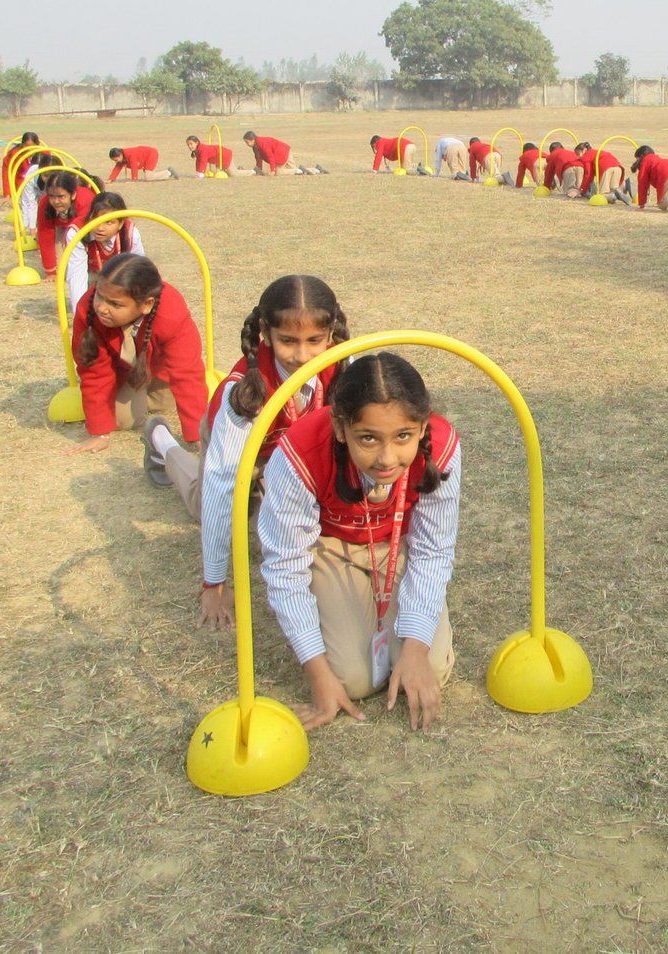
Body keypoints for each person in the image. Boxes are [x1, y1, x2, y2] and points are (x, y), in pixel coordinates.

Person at [257, 351, 462, 732]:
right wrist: (318, 675)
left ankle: (407, 638)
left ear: (422, 427)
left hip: (400, 544)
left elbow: (433, 550)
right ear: (340, 428)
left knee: (430, 668)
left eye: (403, 436)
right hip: (331, 546)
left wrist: (416, 647)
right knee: (353, 681)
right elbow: (285, 567)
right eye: (368, 438)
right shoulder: (299, 452)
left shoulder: (444, 446)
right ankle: (171, 454)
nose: (386, 457)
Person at [144, 275, 349, 628]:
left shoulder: (343, 363)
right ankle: (163, 443)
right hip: (240, 448)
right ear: (265, 333)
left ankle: (263, 489)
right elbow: (221, 485)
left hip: (291, 448)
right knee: (206, 504)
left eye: (315, 341)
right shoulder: (241, 393)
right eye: (288, 341)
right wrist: (214, 582)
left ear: (331, 334)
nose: (303, 355)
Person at [67, 253, 208, 456]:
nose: (102, 308)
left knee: (172, 401)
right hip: (120, 374)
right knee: (123, 420)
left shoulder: (170, 312)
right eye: (99, 295)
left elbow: (187, 373)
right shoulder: (88, 310)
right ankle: (136, 394)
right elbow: (94, 372)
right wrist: (100, 433)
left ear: (147, 305)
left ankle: (148, 392)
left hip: (158, 370)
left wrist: (197, 435)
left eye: (115, 304)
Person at [63, 191, 145, 316]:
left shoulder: (131, 233)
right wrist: (80, 314)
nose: (100, 228)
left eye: (109, 222)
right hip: (90, 275)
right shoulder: (77, 233)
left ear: (120, 224)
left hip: (119, 277)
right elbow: (77, 275)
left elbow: (139, 271)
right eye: (96, 220)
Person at [37, 168, 98, 278]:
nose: (56, 201)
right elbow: (45, 236)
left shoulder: (85, 199)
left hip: (89, 230)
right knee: (61, 270)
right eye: (51, 196)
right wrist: (50, 271)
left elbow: (84, 235)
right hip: (63, 226)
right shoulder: (44, 203)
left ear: (73, 194)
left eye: (61, 196)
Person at [242, 131, 325, 176]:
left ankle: (300, 170)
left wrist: (272, 170)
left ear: (253, 139)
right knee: (293, 170)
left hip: (282, 153)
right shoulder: (255, 145)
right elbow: (258, 158)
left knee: (279, 172)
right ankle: (317, 170)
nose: (246, 144)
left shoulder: (262, 143)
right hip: (286, 150)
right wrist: (259, 170)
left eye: (247, 142)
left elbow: (270, 156)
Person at [1, 131, 41, 198]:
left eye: (32, 146)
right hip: (20, 182)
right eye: (27, 146)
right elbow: (7, 173)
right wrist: (7, 194)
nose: (29, 149)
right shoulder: (15, 154)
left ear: (38, 145)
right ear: (22, 145)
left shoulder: (44, 153)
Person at [107, 146, 175, 182]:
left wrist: (134, 179)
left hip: (151, 154)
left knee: (148, 177)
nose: (115, 162)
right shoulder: (122, 157)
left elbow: (134, 166)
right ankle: (167, 173)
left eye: (116, 160)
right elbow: (117, 168)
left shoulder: (130, 153)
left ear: (120, 155)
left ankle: (169, 172)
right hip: (146, 156)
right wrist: (111, 179)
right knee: (149, 175)